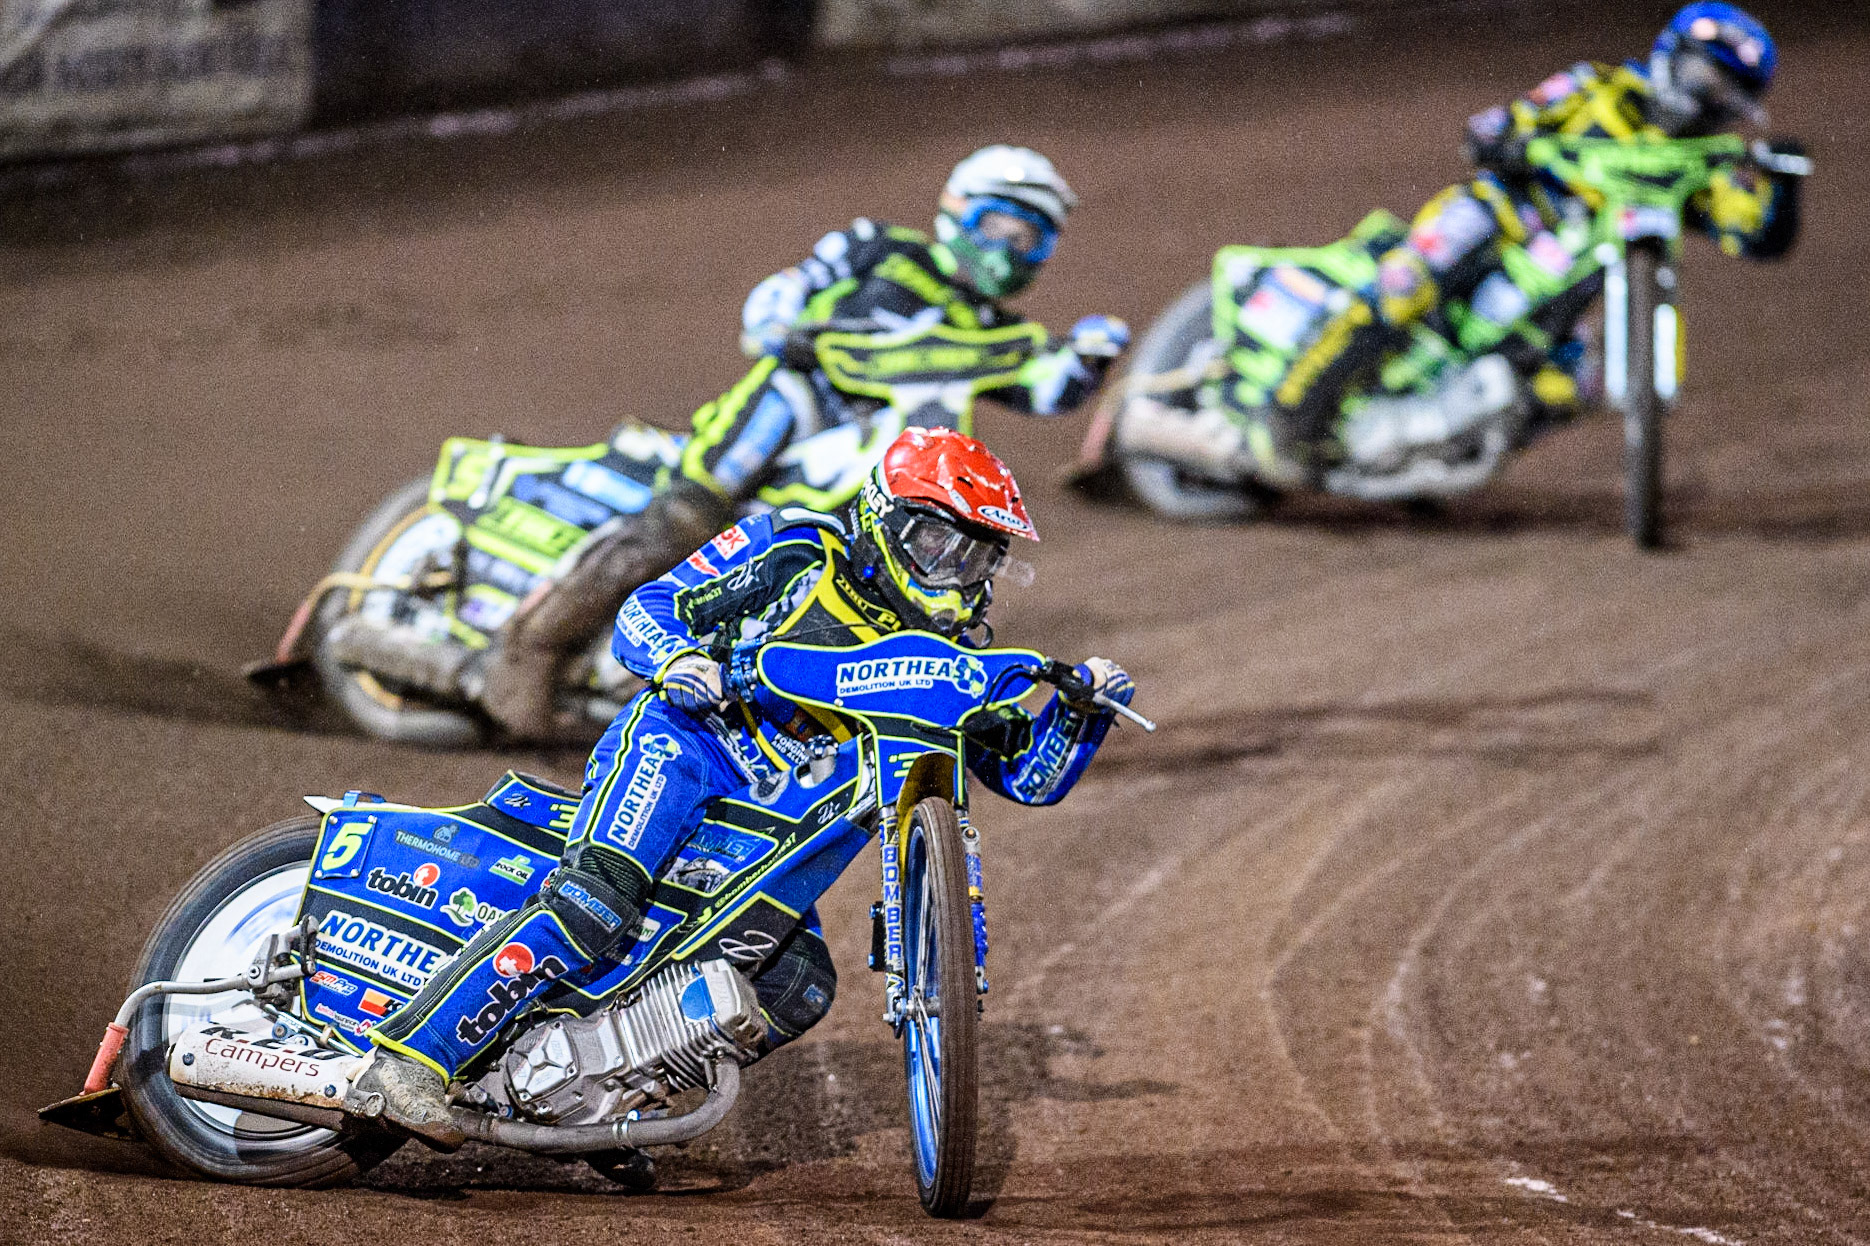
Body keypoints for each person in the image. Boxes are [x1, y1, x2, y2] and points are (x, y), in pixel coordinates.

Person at [353, 428, 1137, 1147]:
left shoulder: (956, 663)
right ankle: (409, 1061)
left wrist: (1082, 714)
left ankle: (614, 1101)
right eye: (939, 542)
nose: (955, 573)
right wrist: (675, 660)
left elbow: (1027, 778)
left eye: (977, 556)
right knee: (596, 901)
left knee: (798, 987)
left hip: (770, 823)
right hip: (688, 747)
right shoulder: (797, 548)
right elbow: (648, 607)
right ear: (888, 521)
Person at [479, 145, 1129, 739]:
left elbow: (1048, 389)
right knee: (690, 512)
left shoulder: (998, 337)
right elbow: (785, 291)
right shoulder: (880, 249)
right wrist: (782, 324)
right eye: (999, 227)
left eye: (1031, 239)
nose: (1009, 250)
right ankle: (530, 649)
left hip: (873, 458)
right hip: (800, 395)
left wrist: (1092, 357)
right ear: (957, 210)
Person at [1236, 1, 1804, 484]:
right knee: (1406, 287)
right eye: (1709, 81)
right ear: (1674, 59)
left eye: (1729, 97)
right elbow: (1497, 125)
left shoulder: (1702, 167)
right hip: (1505, 218)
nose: (1712, 102)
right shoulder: (1596, 89)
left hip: (1562, 290)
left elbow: (1756, 234)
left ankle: (1429, 455)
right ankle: (1288, 414)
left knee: (1566, 387)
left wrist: (1785, 181)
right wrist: (1513, 142)